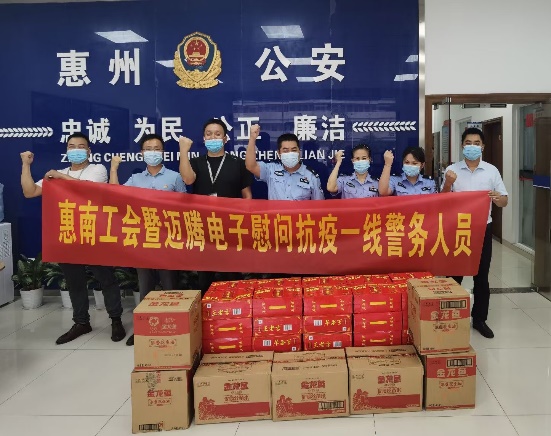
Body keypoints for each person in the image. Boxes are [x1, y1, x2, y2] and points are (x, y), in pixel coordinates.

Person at [20, 132, 126, 345]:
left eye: (81, 146)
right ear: (66, 150)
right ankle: (81, 322)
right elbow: (30, 192)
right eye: (71, 146)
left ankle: (116, 320)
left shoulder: (97, 169)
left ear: (89, 151)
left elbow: (88, 188)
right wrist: (26, 165)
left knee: (106, 278)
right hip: (68, 234)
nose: (76, 150)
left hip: (94, 233)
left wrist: (59, 178)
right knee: (74, 281)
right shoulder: (58, 173)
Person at [110, 133, 186, 346]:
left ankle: (174, 328)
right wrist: (114, 169)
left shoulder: (175, 177)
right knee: (145, 286)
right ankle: (143, 329)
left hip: (168, 240)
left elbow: (185, 208)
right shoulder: (136, 179)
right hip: (143, 240)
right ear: (142, 153)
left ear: (163, 152)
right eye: (148, 149)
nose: (153, 152)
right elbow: (115, 194)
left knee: (170, 285)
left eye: (157, 149)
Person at [441, 127, 508, 339]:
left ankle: (479, 319)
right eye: (468, 143)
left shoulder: (491, 171)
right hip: (457, 228)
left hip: (482, 228)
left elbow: (504, 200)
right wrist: (448, 183)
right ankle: (451, 317)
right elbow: (442, 199)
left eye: (476, 143)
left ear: (483, 146)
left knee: (481, 275)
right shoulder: (452, 170)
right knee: (454, 275)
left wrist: (498, 198)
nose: (472, 146)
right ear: (462, 146)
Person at [179, 118, 253, 295]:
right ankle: (207, 308)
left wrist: (244, 221)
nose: (213, 137)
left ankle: (234, 307)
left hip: (231, 226)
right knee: (205, 275)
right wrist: (183, 151)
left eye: (217, 134)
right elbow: (188, 180)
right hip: (204, 227)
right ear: (204, 138)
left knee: (232, 274)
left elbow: (247, 196)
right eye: (209, 134)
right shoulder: (196, 162)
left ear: (225, 139)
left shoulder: (237, 163)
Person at [246, 124, 324, 200]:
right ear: (279, 153)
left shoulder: (311, 176)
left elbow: (319, 205)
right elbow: (251, 166)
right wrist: (252, 138)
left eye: (293, 150)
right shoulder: (271, 170)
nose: (290, 153)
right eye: (285, 150)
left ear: (299, 152)